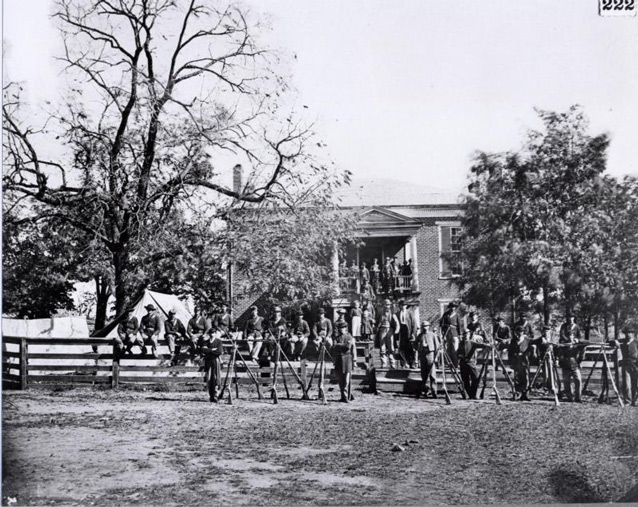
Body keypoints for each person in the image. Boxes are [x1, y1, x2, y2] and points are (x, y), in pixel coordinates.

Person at [507, 326, 544, 401]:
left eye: (521, 332)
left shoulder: (527, 339)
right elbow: (510, 352)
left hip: (524, 360)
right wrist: (510, 361)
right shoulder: (513, 340)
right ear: (515, 332)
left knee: (526, 377)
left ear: (523, 332)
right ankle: (517, 393)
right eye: (518, 332)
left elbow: (536, 341)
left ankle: (525, 394)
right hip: (516, 360)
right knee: (517, 377)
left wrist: (542, 337)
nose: (519, 333)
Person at [458, 330, 490, 399]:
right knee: (465, 380)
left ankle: (473, 393)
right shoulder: (460, 344)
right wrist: (461, 356)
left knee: (476, 378)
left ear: (469, 335)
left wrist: (488, 345)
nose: (466, 336)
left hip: (471, 363)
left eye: (467, 334)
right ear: (463, 335)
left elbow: (481, 345)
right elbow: (457, 353)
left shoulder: (472, 343)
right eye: (465, 334)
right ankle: (470, 395)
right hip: (463, 364)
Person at [331, 320, 357, 402]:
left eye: (343, 328)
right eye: (340, 328)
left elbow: (348, 347)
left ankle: (347, 396)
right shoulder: (337, 337)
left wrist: (339, 345)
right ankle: (344, 396)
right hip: (339, 359)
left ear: (346, 328)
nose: (342, 329)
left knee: (346, 379)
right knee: (340, 379)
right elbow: (333, 347)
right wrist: (340, 345)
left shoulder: (349, 337)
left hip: (347, 358)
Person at [611, 328, 638, 406]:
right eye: (627, 333)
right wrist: (615, 342)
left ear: (633, 333)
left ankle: (635, 401)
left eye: (630, 332)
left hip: (635, 365)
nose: (628, 334)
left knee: (635, 383)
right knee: (627, 384)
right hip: (626, 364)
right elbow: (611, 342)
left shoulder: (636, 342)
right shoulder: (623, 342)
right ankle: (628, 401)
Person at [557, 328, 584, 403]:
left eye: (572, 335)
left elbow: (585, 344)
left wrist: (578, 342)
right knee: (566, 382)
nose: (570, 337)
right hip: (566, 364)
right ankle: (569, 397)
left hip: (574, 364)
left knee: (578, 380)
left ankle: (578, 398)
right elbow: (558, 350)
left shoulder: (577, 344)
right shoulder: (563, 344)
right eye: (569, 335)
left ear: (574, 336)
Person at [416, 320, 440, 399]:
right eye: (423, 326)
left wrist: (436, 357)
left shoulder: (432, 335)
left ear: (429, 326)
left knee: (432, 374)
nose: (424, 328)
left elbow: (437, 347)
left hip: (431, 355)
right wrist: (419, 348)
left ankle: (434, 391)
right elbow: (415, 344)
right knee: (424, 374)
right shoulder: (420, 335)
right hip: (423, 355)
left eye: (426, 326)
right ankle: (426, 390)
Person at [201, 326, 224, 403]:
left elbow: (219, 351)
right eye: (210, 333)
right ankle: (211, 396)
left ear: (215, 334)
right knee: (209, 378)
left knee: (216, 377)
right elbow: (203, 350)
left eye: (213, 333)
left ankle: (216, 395)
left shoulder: (218, 341)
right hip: (208, 361)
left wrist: (209, 351)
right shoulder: (206, 342)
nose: (212, 334)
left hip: (216, 361)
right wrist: (212, 350)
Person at [376, 299, 399, 368]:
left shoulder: (392, 313)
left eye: (388, 305)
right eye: (385, 305)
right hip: (382, 330)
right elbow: (377, 321)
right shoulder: (380, 313)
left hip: (390, 330)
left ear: (390, 305)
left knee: (390, 347)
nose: (387, 306)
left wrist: (397, 330)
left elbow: (397, 322)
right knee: (382, 347)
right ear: (383, 305)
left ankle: (392, 363)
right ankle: (384, 362)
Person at [440, 302, 463, 368]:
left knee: (455, 349)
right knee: (448, 349)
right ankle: (449, 363)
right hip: (447, 333)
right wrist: (443, 334)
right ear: (449, 307)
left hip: (454, 333)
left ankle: (455, 364)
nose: (453, 308)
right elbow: (441, 324)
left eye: (454, 307)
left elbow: (459, 326)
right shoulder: (445, 314)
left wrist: (460, 335)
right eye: (452, 307)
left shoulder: (457, 315)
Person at [395, 300, 416, 368]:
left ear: (406, 306)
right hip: (401, 331)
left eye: (404, 305)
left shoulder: (410, 313)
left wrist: (413, 333)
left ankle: (412, 363)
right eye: (402, 305)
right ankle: (403, 363)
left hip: (408, 331)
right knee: (401, 348)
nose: (403, 307)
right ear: (400, 306)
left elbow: (414, 324)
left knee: (410, 348)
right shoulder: (397, 314)